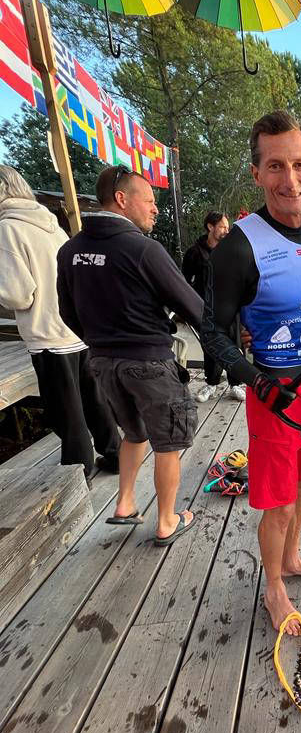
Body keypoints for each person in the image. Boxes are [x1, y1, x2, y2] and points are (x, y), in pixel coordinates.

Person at [201, 111, 301, 636]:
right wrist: (254, 379)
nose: (289, 179)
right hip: (273, 394)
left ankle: (291, 559)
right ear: (257, 174)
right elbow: (212, 331)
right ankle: (273, 588)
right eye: (276, 166)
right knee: (277, 504)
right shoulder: (239, 244)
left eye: (299, 165)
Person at [57, 164, 202, 546]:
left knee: (133, 432)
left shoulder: (70, 251)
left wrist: (100, 342)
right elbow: (193, 307)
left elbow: (67, 312)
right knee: (168, 440)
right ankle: (167, 520)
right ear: (122, 199)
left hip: (103, 363)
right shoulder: (142, 249)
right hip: (149, 361)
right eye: (149, 200)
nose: (155, 209)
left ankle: (124, 504)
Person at [0, 165, 120, 481]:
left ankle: (75, 477)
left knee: (67, 413)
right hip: (76, 326)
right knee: (94, 400)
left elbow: (18, 295)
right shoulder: (50, 223)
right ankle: (115, 455)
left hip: (47, 334)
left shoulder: (7, 228)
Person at [181, 211, 245, 403]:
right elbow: (184, 282)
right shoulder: (194, 253)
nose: (226, 231)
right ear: (210, 227)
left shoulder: (231, 250)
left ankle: (235, 384)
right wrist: (190, 307)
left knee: (234, 345)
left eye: (228, 227)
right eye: (223, 227)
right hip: (206, 310)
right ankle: (211, 383)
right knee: (210, 348)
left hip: (231, 308)